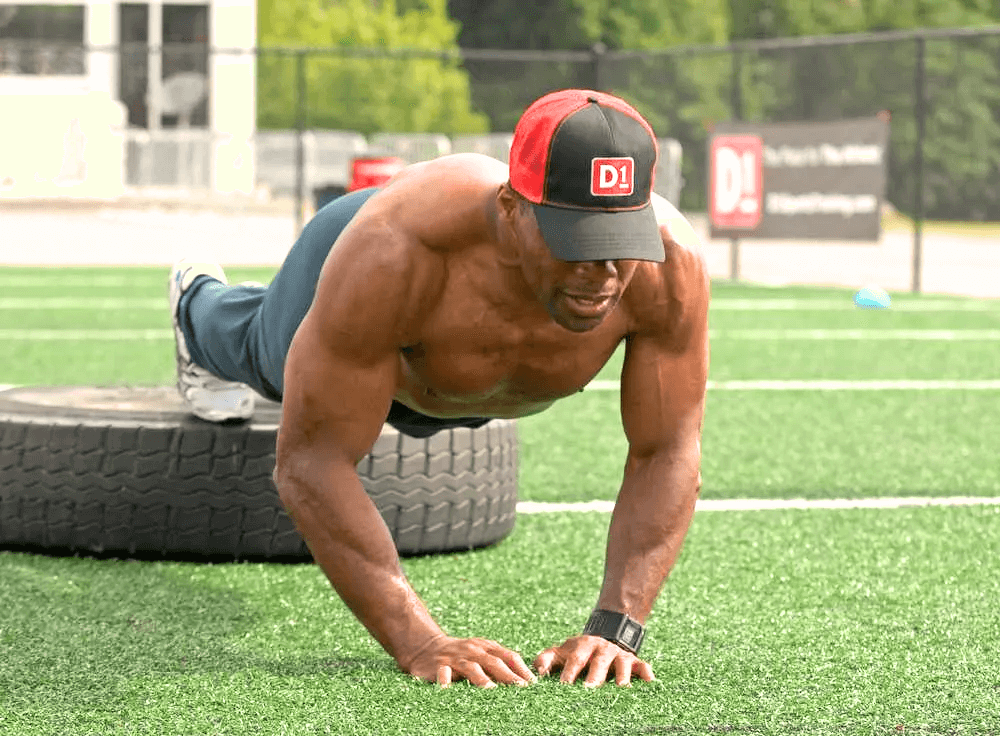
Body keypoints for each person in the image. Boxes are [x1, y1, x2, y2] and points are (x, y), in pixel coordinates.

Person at [168, 89, 709, 689]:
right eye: (577, 241)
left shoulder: (668, 267)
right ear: (510, 206)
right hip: (368, 283)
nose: (602, 273)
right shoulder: (396, 251)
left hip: (465, 381)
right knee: (260, 359)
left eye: (619, 244)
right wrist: (419, 638)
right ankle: (196, 300)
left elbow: (667, 449)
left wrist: (617, 627)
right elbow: (310, 461)